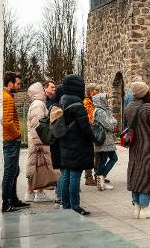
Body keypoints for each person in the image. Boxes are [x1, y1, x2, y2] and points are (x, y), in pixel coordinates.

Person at [124, 82, 150, 219]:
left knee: (136, 175)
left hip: (135, 148)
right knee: (147, 176)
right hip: (149, 148)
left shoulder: (128, 107)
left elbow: (126, 127)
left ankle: (136, 207)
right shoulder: (148, 108)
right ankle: (144, 209)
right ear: (144, 92)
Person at [59, 74, 96, 215]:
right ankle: (75, 206)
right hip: (77, 145)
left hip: (65, 142)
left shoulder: (63, 99)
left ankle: (65, 204)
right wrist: (95, 138)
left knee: (66, 175)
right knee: (74, 175)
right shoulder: (77, 103)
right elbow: (85, 127)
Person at [2, 71, 30, 212]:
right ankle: (5, 203)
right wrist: (17, 134)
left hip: (11, 139)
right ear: (10, 83)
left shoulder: (8, 96)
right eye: (17, 83)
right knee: (9, 171)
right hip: (10, 140)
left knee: (15, 170)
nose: (19, 86)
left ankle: (13, 199)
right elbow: (7, 123)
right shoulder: (6, 98)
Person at [25, 82, 54, 203]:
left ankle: (31, 192)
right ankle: (39, 193)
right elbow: (38, 125)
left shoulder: (36, 103)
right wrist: (40, 143)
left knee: (34, 167)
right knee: (39, 167)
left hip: (35, 142)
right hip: (39, 142)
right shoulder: (39, 104)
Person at [92, 93, 118, 191]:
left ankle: (101, 179)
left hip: (106, 140)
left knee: (111, 158)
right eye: (105, 99)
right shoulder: (101, 111)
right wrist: (113, 121)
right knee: (106, 159)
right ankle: (101, 180)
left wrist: (112, 120)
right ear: (100, 100)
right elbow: (110, 125)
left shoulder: (103, 110)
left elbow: (112, 121)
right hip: (104, 140)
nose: (107, 101)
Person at [49, 85, 64, 208]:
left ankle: (58, 195)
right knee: (63, 171)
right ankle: (59, 196)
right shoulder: (58, 108)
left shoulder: (51, 106)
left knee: (61, 171)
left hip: (54, 143)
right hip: (60, 143)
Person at [83, 83, 99, 186]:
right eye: (96, 90)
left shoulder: (94, 101)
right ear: (90, 91)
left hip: (95, 130)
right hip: (90, 130)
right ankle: (88, 177)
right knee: (90, 154)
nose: (97, 92)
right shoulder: (86, 102)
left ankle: (98, 175)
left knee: (97, 154)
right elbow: (91, 117)